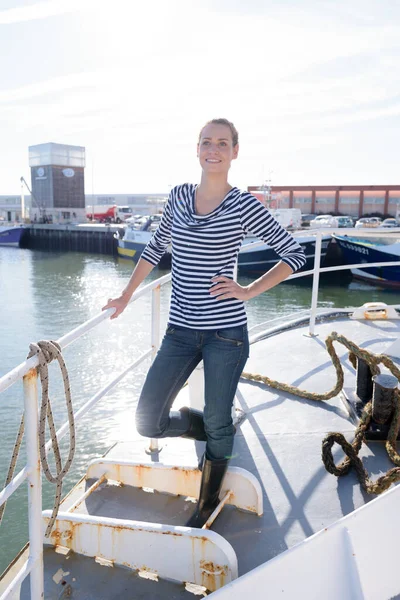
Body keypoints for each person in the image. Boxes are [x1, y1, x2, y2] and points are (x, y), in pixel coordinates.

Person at [102, 118, 306, 528]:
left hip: (225, 336)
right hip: (180, 331)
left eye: (223, 143)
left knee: (217, 420)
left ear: (234, 152)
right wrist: (126, 294)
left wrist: (247, 291)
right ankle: (216, 430)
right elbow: (156, 246)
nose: (214, 149)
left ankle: (207, 501)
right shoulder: (178, 196)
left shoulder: (244, 205)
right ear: (197, 149)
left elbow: (293, 254)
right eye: (207, 142)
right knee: (148, 420)